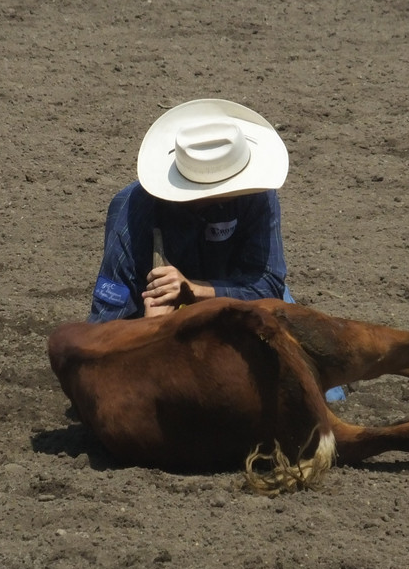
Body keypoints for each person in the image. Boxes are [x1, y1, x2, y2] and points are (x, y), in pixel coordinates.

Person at [86, 98, 345, 400]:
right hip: (158, 317)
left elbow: (268, 284)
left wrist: (194, 290)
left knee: (327, 396)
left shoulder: (257, 197)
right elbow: (106, 321)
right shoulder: (133, 211)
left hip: (238, 302)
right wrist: (152, 326)